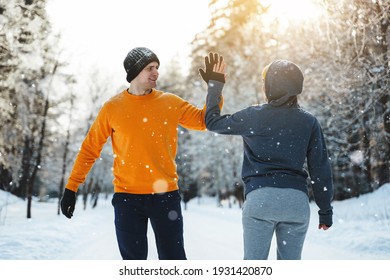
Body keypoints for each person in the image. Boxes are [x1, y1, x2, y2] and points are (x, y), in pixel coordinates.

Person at [60, 47, 223, 260]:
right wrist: (71, 187)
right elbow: (90, 148)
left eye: (157, 67)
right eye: (150, 68)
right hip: (127, 199)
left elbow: (204, 121)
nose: (156, 73)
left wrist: (215, 89)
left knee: (174, 261)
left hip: (165, 196)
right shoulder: (112, 108)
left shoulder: (170, 102)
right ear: (134, 72)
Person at [204, 58, 334, 260]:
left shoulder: (254, 116)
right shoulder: (309, 121)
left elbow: (212, 122)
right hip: (296, 203)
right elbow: (320, 169)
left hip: (260, 200)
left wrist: (215, 85)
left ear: (270, 87)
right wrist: (325, 210)